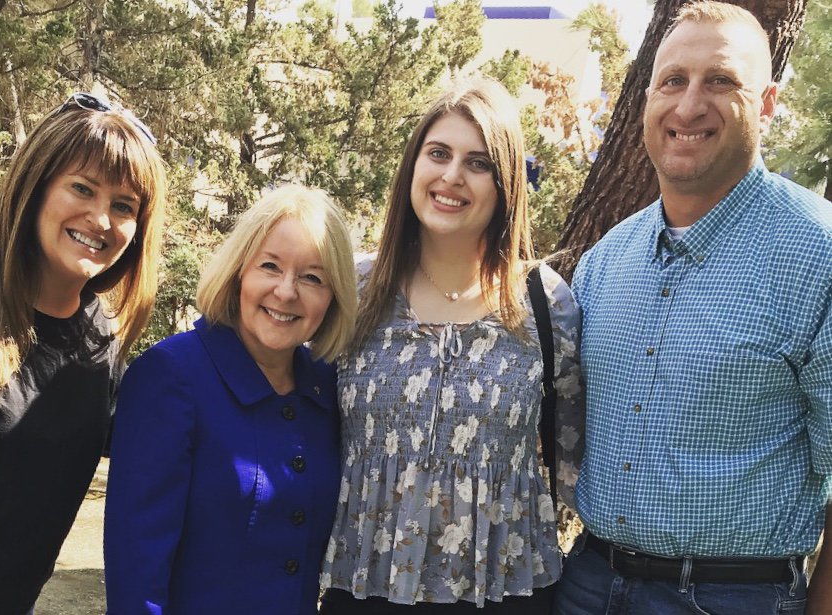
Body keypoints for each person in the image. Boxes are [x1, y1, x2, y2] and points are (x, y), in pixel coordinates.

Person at [554, 3, 832, 614]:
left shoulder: (819, 258)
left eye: (722, 80)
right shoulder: (604, 263)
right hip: (588, 584)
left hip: (736, 597)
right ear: (647, 100)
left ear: (767, 103)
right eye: (673, 81)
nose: (688, 106)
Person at [318, 77, 584, 614]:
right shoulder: (355, 290)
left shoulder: (544, 301)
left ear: (506, 183)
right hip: (366, 584)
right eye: (438, 153)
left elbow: (572, 446)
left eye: (478, 163)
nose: (452, 176)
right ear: (413, 166)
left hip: (505, 587)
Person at [0, 92, 167, 615]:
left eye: (124, 206)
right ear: (35, 184)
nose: (101, 220)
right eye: (82, 188)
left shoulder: (101, 339)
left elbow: (158, 442)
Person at [103, 184, 358, 615]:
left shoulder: (327, 387)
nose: (286, 291)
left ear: (333, 297)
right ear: (240, 270)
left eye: (313, 277)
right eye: (270, 266)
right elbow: (136, 569)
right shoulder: (170, 376)